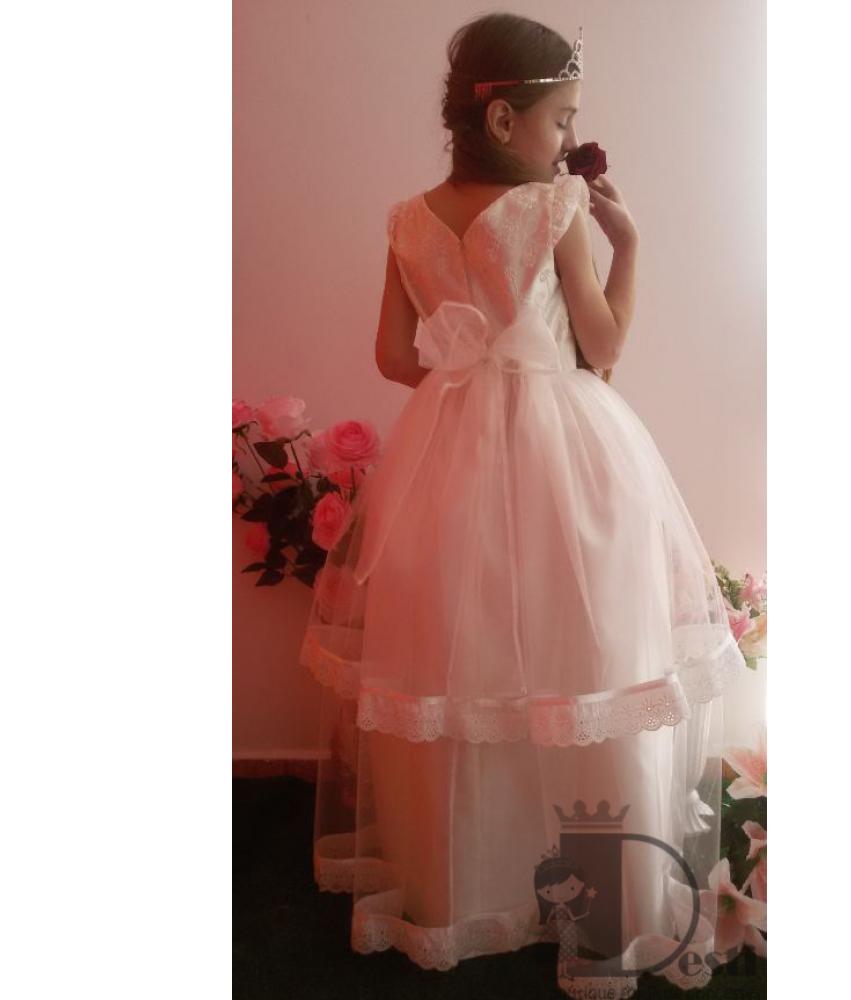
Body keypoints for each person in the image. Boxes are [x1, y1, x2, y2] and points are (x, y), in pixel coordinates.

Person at [298, 12, 744, 994]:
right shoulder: (554, 209)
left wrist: (470, 379)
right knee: (583, 653)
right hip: (563, 451)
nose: (570, 137)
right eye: (562, 117)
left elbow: (392, 356)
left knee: (462, 666)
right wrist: (628, 244)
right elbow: (603, 346)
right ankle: (600, 898)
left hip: (446, 455)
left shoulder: (407, 219)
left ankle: (463, 885)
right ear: (504, 119)